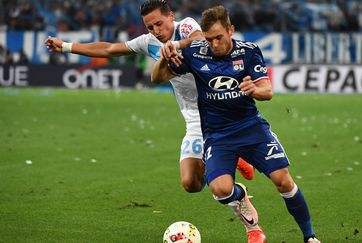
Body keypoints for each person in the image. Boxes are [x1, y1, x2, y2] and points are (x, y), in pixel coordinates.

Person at [44, 0, 254, 193]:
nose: (156, 31)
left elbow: (198, 39)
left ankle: (228, 166)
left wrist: (174, 46)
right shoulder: (148, 42)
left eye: (159, 23)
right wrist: (65, 46)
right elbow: (109, 49)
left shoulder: (186, 26)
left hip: (218, 108)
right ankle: (229, 165)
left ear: (171, 16)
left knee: (221, 181)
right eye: (150, 27)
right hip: (193, 116)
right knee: (191, 183)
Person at [152, 5, 320, 243]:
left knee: (283, 180)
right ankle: (240, 195)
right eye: (209, 39)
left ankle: (309, 236)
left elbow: (267, 91)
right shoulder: (196, 53)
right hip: (217, 135)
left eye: (219, 37)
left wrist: (255, 90)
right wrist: (164, 57)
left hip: (251, 127)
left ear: (231, 30)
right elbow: (157, 78)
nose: (214, 44)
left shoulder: (249, 52)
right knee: (220, 191)